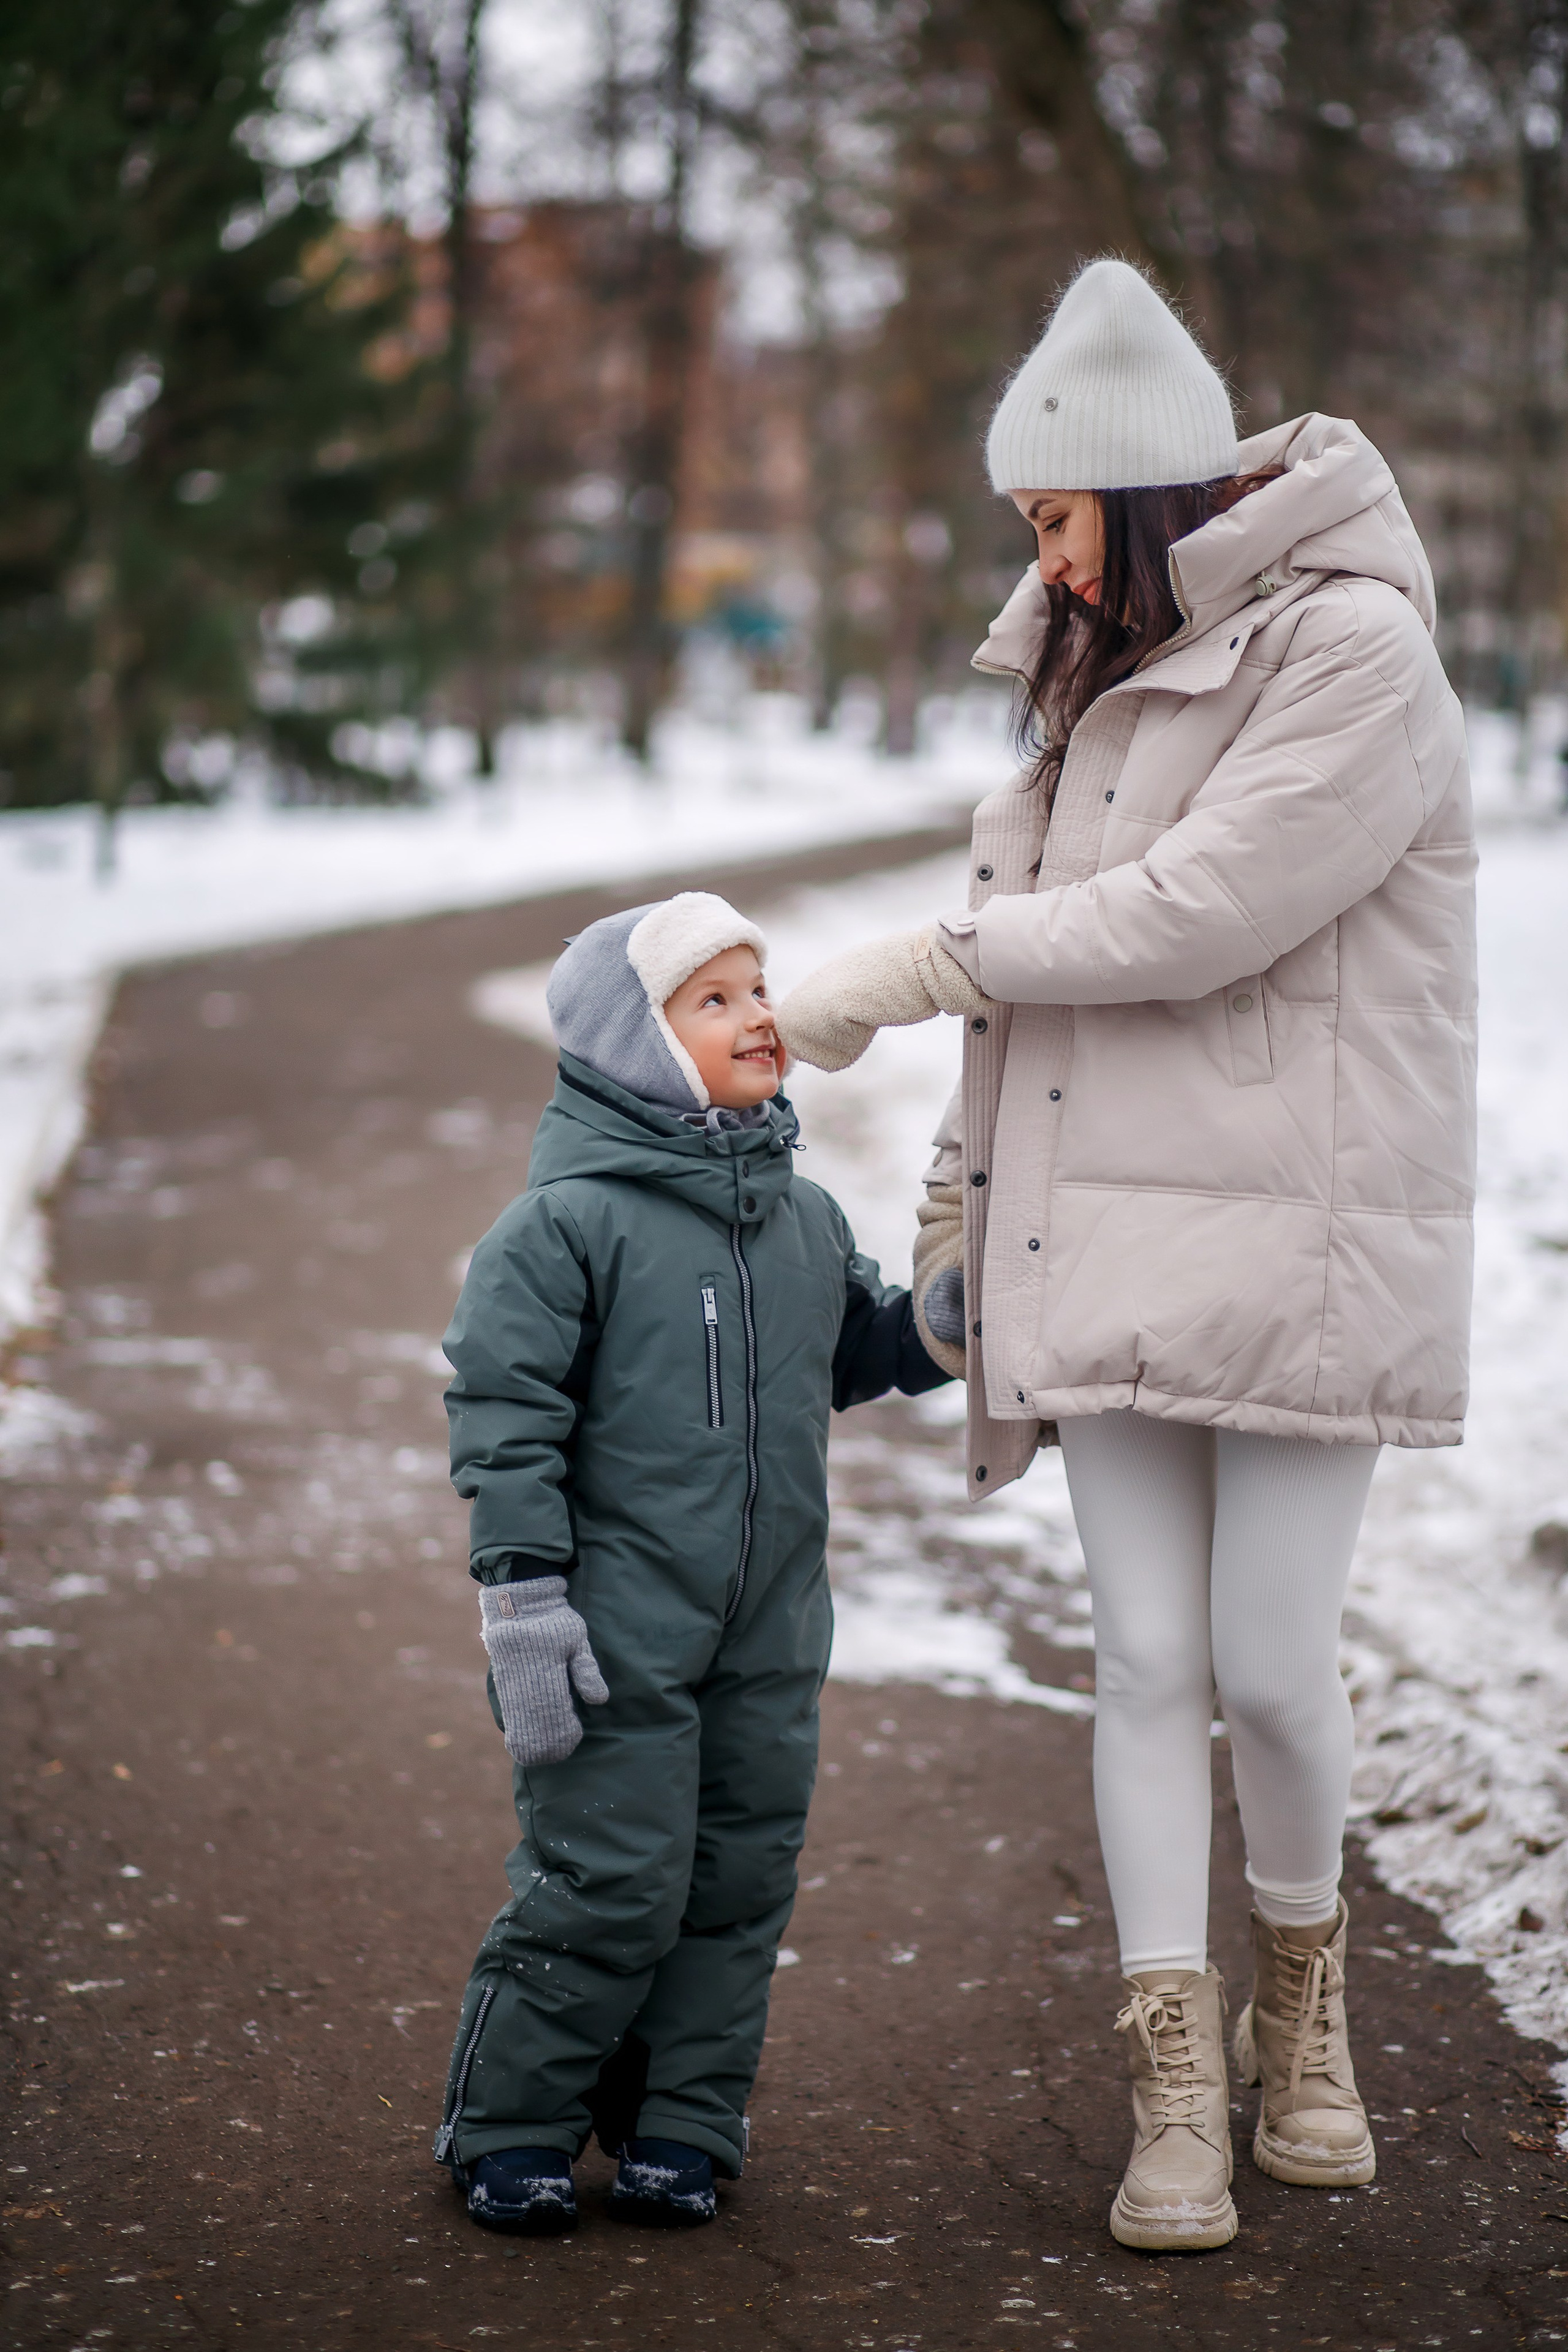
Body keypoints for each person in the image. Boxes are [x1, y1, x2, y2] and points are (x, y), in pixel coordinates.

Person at [777, 258, 1476, 2253]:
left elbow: (1199, 913)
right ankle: (1175, 2076)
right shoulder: (1076, 690)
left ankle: (1307, 2017)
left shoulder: (1359, 655)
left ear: (1150, 491)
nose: (1047, 559)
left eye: (1058, 517)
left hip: (1310, 1235)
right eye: (1026, 529)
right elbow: (1047, 1001)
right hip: (1106, 1220)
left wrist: (912, 962)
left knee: (1267, 1661)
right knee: (1147, 1658)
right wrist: (954, 1191)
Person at [434, 891, 952, 2235]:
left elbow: (849, 1356)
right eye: (712, 999)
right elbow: (504, 1419)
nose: (758, 1016)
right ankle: (512, 2124)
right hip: (608, 1629)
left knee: (736, 1879)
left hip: (769, 1630)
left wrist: (933, 1330)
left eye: (758, 987)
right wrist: (524, 1600)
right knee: (607, 1878)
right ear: (636, 1044)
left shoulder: (800, 1219)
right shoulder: (562, 1231)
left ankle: (680, 2121)